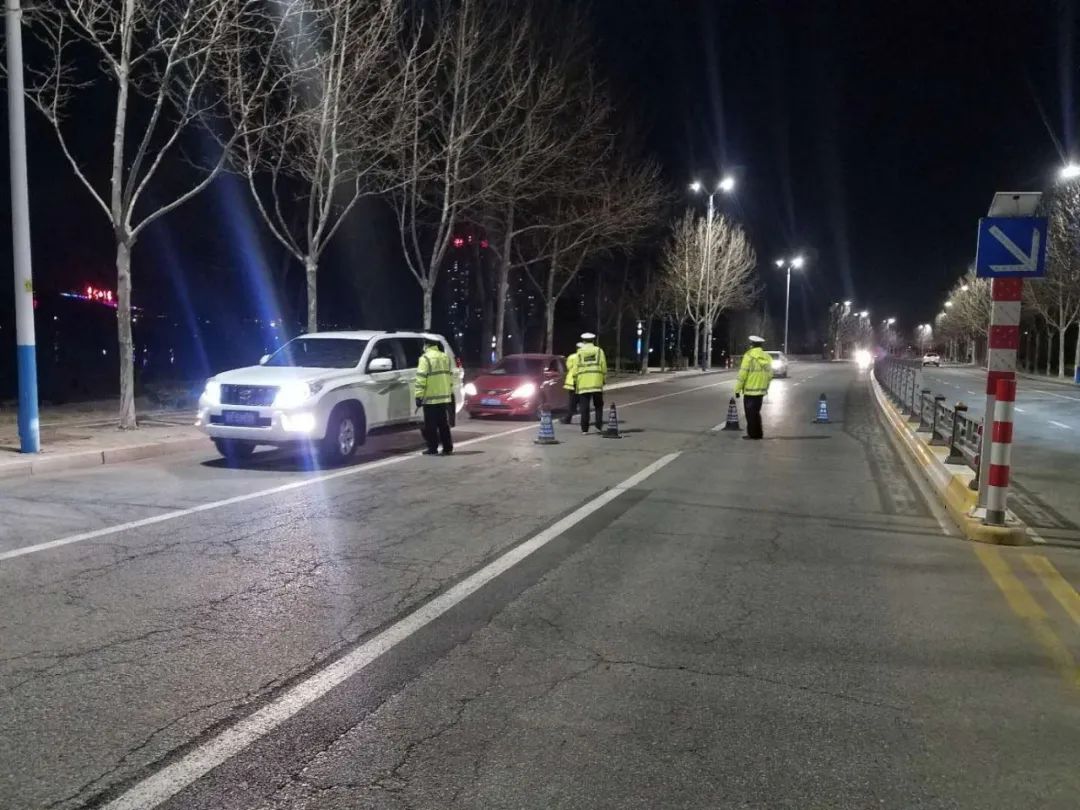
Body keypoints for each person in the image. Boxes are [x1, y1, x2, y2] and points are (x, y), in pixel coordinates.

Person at [414, 337, 454, 455]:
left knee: (430, 425)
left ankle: (433, 448)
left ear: (427, 345)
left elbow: (421, 378)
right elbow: (449, 376)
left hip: (430, 398)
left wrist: (418, 395)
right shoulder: (444, 357)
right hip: (443, 397)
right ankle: (447, 448)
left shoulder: (425, 358)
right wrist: (449, 392)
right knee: (443, 424)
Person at [735, 335, 773, 440]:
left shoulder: (749, 356)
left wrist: (737, 389)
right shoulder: (767, 357)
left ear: (751, 345)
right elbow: (770, 375)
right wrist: (765, 386)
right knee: (756, 413)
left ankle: (752, 435)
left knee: (750, 415)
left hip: (750, 391)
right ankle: (758, 433)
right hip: (760, 391)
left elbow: (743, 374)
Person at [573, 332, 607, 433]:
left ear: (583, 341)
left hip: (583, 382)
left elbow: (575, 368)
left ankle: (584, 429)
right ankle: (598, 426)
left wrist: (575, 380)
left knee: (584, 407)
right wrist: (603, 379)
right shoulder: (599, 351)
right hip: (596, 382)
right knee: (598, 405)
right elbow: (603, 366)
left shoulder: (580, 352)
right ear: (593, 340)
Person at [561, 342, 583, 424]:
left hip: (573, 382)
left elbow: (568, 367)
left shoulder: (572, 357)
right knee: (583, 402)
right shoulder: (586, 358)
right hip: (583, 382)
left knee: (572, 401)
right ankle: (584, 420)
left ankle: (568, 419)